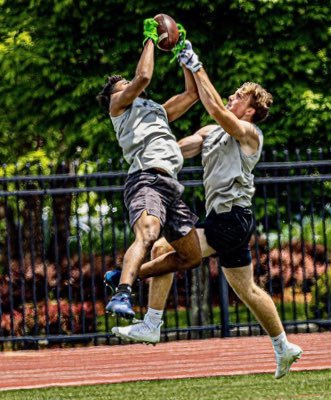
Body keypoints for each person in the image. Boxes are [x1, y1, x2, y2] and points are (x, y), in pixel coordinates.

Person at [111, 41, 303, 379]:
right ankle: (283, 346)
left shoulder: (249, 134)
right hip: (227, 221)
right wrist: (144, 143)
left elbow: (215, 107)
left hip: (232, 218)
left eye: (238, 96)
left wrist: (194, 63)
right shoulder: (213, 133)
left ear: (250, 109)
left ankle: (150, 322)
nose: (232, 97)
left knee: (161, 247)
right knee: (249, 290)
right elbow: (178, 148)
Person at [97, 21, 202, 319]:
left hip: (170, 185)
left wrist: (183, 53)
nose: (131, 90)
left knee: (191, 256)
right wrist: (151, 39)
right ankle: (122, 295)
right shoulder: (118, 107)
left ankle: (124, 276)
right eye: (124, 87)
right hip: (145, 179)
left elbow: (192, 93)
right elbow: (142, 77)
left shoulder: (158, 111)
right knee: (149, 233)